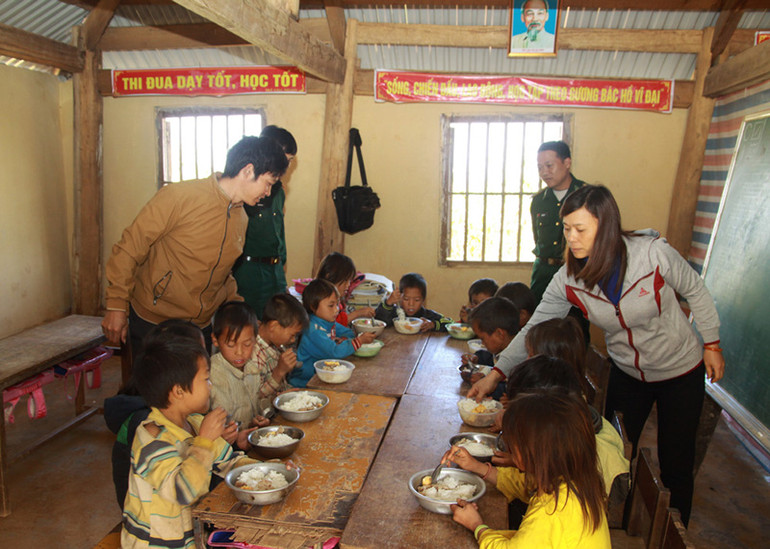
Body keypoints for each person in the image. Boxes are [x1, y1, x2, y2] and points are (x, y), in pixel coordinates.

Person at [470, 184, 724, 525]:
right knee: (608, 454)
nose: (571, 238)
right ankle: (606, 523)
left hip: (679, 368)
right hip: (627, 372)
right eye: (566, 229)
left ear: (604, 227)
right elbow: (533, 327)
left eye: (580, 229)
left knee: (676, 462)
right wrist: (495, 374)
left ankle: (674, 534)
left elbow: (695, 290)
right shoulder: (569, 278)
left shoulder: (652, 255)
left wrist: (712, 344)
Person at [102, 136, 289, 354]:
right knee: (154, 388)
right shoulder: (180, 196)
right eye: (268, 184)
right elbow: (129, 248)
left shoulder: (242, 218)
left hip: (199, 326)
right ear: (248, 171)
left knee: (198, 387)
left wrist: (241, 311)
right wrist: (116, 304)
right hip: (155, 321)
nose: (267, 193)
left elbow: (223, 272)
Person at [121, 335, 256, 548]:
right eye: (205, 379)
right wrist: (204, 441)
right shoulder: (151, 439)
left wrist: (271, 470)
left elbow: (229, 462)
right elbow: (183, 491)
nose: (211, 386)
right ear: (179, 391)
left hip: (188, 536)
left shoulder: (193, 422)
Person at [444, 391, 610, 548]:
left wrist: (477, 526)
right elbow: (522, 484)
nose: (509, 448)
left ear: (534, 452)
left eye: (513, 443)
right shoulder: (573, 482)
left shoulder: (551, 511)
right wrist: (475, 466)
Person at [104, 319, 205, 509]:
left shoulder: (185, 414)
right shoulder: (146, 425)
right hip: (153, 522)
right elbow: (179, 489)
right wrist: (205, 442)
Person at [233, 126, 297, 319]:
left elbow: (279, 230)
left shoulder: (278, 191)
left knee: (277, 324)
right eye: (285, 158)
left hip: (275, 270)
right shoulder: (247, 189)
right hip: (249, 272)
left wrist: (281, 265)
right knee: (251, 325)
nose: (286, 165)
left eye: (290, 161)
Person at [289, 279, 376, 387]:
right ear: (313, 306)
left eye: (337, 304)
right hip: (305, 382)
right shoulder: (313, 330)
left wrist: (344, 339)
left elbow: (348, 332)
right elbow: (334, 352)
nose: (337, 309)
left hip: (322, 376)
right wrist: (359, 341)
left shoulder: (328, 322)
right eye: (331, 305)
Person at [529, 141, 586, 305]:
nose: (544, 172)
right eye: (540, 167)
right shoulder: (539, 201)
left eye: (549, 165)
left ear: (567, 163)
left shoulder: (586, 196)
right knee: (539, 325)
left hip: (576, 272)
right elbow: (537, 238)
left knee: (575, 324)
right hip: (543, 273)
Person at [209, 302, 273, 447]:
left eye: (247, 344)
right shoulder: (213, 374)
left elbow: (254, 404)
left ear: (255, 339)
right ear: (215, 340)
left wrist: (257, 420)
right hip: (225, 449)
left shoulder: (252, 367)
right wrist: (235, 437)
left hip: (249, 440)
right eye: (231, 345)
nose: (240, 352)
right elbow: (219, 427)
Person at [251, 293, 309, 414]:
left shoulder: (275, 345)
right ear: (274, 326)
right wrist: (280, 371)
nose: (293, 340)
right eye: (292, 335)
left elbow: (281, 385)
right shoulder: (254, 354)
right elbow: (255, 398)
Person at [463, 297, 521, 391]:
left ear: (499, 334)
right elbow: (492, 358)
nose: (482, 343)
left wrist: (486, 383)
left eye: (482, 338)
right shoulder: (502, 348)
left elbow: (512, 389)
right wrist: (478, 358)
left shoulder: (519, 360)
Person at [374, 272, 452, 332]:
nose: (411, 304)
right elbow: (378, 321)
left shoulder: (427, 316)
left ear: (423, 300)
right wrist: (388, 303)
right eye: (406, 299)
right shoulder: (394, 314)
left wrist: (433, 324)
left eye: (417, 300)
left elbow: (451, 323)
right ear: (400, 297)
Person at [316, 252, 375, 325]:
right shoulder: (321, 301)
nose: (348, 284)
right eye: (345, 280)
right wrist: (358, 313)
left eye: (350, 280)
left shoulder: (338, 300)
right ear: (329, 277)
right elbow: (334, 325)